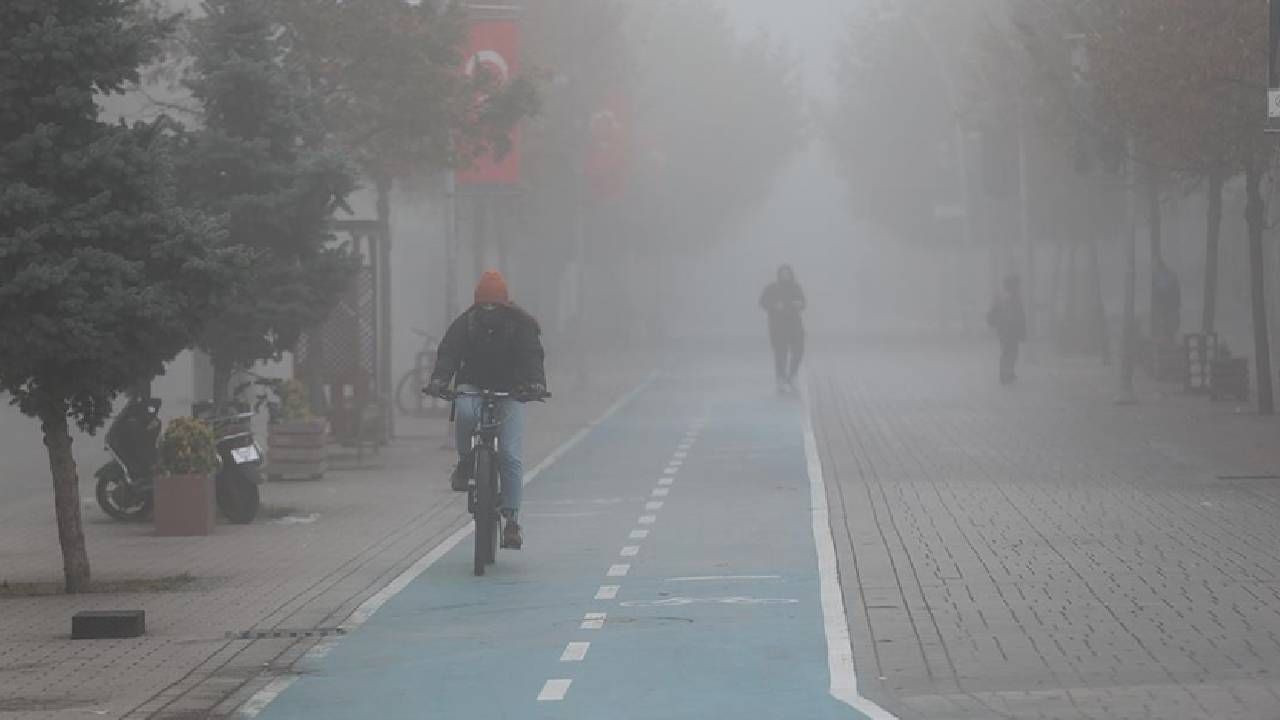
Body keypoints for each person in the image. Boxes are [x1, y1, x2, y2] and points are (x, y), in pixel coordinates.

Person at [426, 270, 547, 550]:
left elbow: (532, 356)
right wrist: (440, 380)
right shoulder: (465, 323)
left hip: (512, 391)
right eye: (484, 304)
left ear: (505, 304)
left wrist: (537, 384)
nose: (489, 310)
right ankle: (466, 460)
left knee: (511, 455)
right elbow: (449, 352)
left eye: (494, 304)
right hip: (473, 386)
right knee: (465, 413)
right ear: (477, 304)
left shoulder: (521, 326)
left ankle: (512, 520)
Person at [759, 264, 806, 392]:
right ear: (779, 275)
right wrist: (774, 306)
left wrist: (800, 304)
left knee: (799, 351)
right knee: (781, 354)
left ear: (791, 274)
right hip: (778, 326)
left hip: (795, 326)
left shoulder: (796, 287)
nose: (785, 276)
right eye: (783, 273)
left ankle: (792, 375)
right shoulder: (772, 288)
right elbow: (762, 302)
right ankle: (780, 378)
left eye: (787, 273)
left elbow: (803, 301)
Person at [987, 274, 1027, 385]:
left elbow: (1019, 314)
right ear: (1013, 285)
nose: (1019, 287)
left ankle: (1007, 373)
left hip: (1005, 329)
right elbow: (1018, 314)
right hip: (1008, 329)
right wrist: (1021, 329)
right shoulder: (1010, 297)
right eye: (1017, 285)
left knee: (1010, 351)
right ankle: (1005, 374)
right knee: (1010, 352)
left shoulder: (1008, 297)